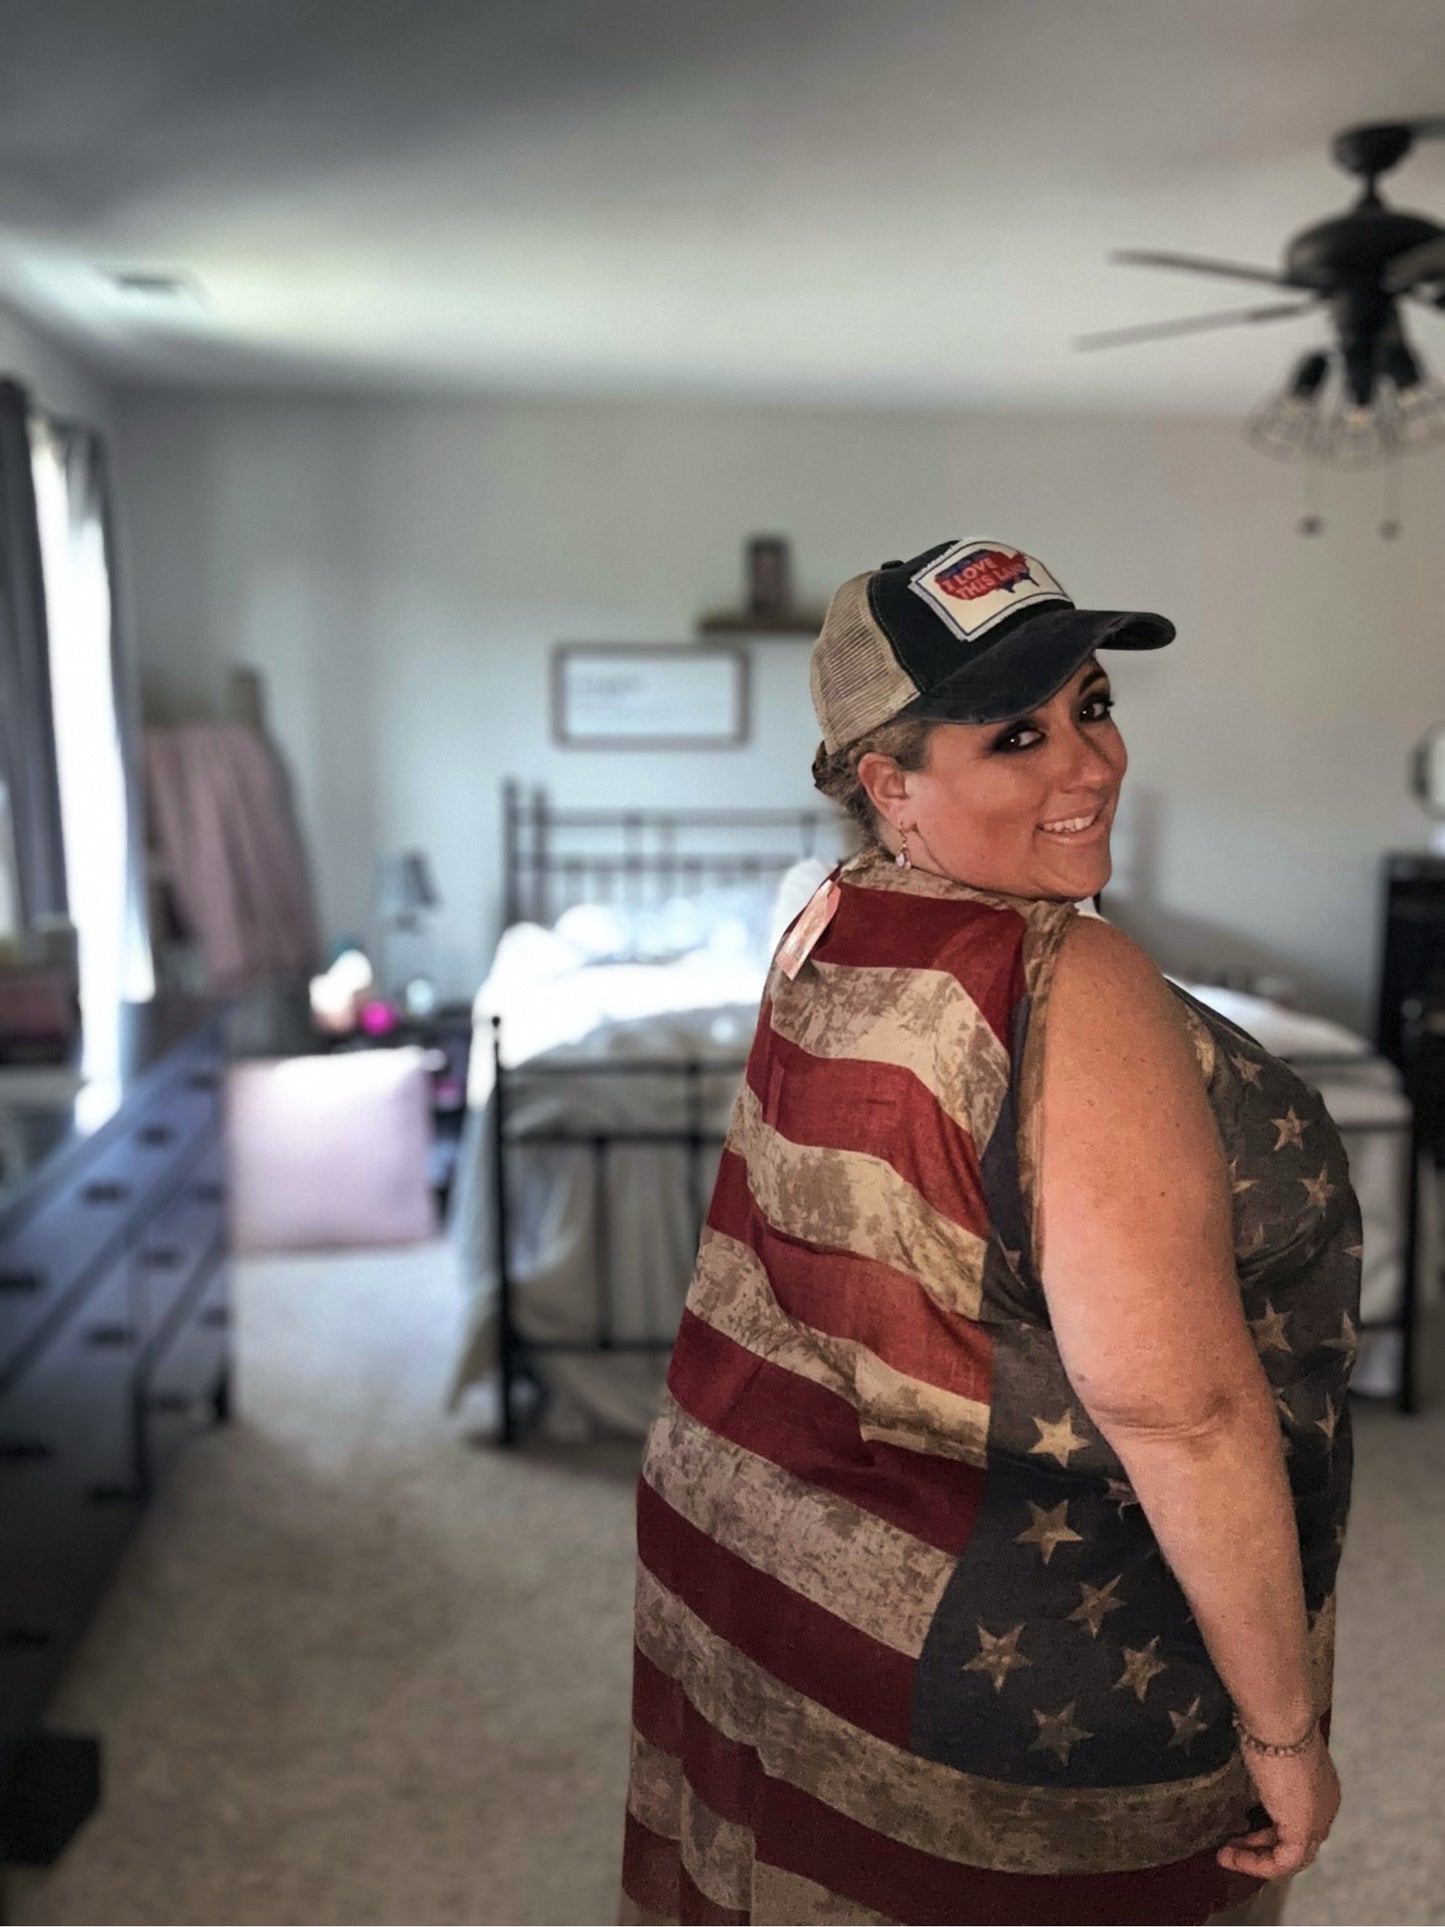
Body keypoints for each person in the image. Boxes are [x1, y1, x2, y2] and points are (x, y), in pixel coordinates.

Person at [620, 539, 1358, 1927]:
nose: (1090, 765)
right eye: (1015, 735)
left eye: (1093, 706)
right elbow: (1183, 1412)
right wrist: (1282, 1733)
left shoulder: (826, 921)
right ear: (887, 784)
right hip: (1004, 1649)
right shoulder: (1077, 979)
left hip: (762, 1562)